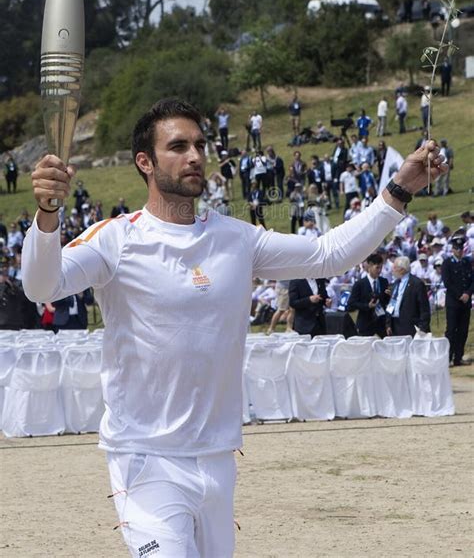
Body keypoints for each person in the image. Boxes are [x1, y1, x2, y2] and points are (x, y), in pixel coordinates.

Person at [23, 98, 447, 557]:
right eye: (179, 146)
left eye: (200, 145)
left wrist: (400, 189)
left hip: (218, 458)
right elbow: (42, 285)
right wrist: (47, 216)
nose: (194, 157)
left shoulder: (237, 238)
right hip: (145, 460)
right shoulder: (116, 238)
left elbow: (330, 255)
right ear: (145, 162)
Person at [441, 234, 474, 366]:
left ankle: (458, 357)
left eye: (460, 248)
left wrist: (468, 293)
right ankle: (448, 357)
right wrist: (460, 295)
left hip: (465, 303)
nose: (459, 251)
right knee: (451, 330)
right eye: (456, 248)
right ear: (452, 249)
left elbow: (472, 280)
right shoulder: (447, 263)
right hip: (454, 302)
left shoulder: (466, 262)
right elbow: (447, 282)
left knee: (463, 330)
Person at [385, 256, 431, 337]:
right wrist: (388, 324)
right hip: (395, 325)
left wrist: (423, 328)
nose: (392, 270)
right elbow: (391, 303)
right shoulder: (396, 283)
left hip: (411, 326)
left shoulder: (416, 283)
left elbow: (424, 308)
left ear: (402, 269)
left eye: (395, 267)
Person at [347, 253, 389, 336]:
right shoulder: (360, 284)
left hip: (381, 323)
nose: (379, 270)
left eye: (381, 267)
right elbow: (351, 303)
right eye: (377, 267)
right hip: (365, 323)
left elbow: (386, 301)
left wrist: (389, 295)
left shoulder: (384, 282)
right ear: (370, 266)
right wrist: (367, 306)